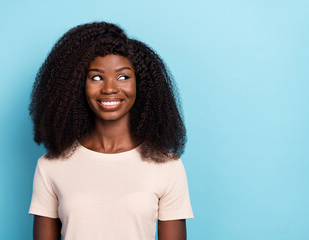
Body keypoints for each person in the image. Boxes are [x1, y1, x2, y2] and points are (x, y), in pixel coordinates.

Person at [28, 22, 194, 240]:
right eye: (96, 77)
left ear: (141, 85)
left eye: (123, 77)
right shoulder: (51, 165)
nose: (109, 88)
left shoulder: (167, 166)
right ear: (78, 85)